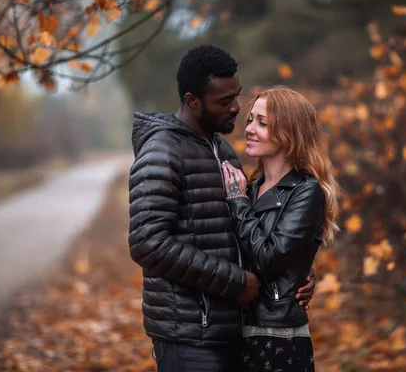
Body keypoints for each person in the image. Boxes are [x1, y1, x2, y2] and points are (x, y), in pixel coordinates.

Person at [127, 45, 316, 371]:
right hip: (188, 335)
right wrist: (235, 282)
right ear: (192, 101)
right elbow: (148, 243)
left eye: (236, 96)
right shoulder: (162, 152)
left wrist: (293, 270)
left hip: (231, 329)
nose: (235, 108)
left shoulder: (222, 148)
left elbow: (243, 227)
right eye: (224, 101)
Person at [221, 86, 340, 371]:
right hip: (238, 330)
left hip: (277, 336)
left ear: (290, 133)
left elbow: (268, 258)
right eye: (250, 119)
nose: (249, 128)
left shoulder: (306, 191)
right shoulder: (250, 187)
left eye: (263, 123)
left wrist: (237, 202)